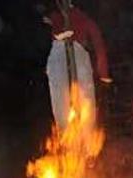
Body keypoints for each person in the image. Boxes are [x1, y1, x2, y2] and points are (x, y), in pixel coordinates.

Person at [43, 0, 110, 129]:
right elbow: (99, 45)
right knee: (84, 97)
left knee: (63, 95)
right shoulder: (80, 18)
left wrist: (103, 72)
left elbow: (98, 43)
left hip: (65, 51)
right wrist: (103, 73)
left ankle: (68, 130)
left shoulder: (61, 16)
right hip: (69, 52)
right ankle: (77, 132)